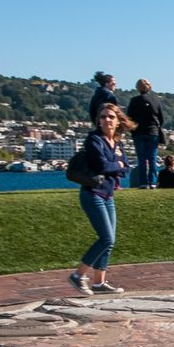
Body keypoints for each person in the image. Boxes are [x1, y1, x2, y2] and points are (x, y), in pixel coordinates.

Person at [69, 102, 129, 295]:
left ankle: (99, 282)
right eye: (103, 117)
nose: (106, 120)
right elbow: (103, 166)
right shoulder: (94, 139)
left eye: (110, 116)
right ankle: (78, 275)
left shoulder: (117, 143)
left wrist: (117, 164)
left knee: (110, 240)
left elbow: (126, 168)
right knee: (106, 238)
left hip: (108, 195)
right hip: (92, 193)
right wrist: (117, 163)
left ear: (118, 120)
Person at [126, 78, 165, 187]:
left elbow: (129, 118)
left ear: (137, 88)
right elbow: (161, 119)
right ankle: (152, 181)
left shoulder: (134, 101)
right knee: (152, 157)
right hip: (153, 132)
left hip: (138, 132)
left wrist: (132, 129)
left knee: (141, 158)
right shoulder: (155, 100)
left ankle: (143, 182)